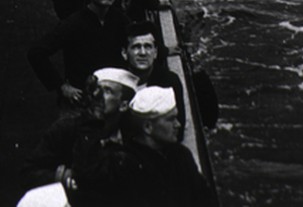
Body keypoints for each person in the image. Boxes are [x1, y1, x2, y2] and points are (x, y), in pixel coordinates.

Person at [73, 86, 215, 207]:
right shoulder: (123, 164)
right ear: (148, 127)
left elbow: (204, 198)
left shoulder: (181, 154)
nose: (178, 124)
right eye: (171, 119)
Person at [20, 65, 139, 191]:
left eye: (107, 91)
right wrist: (62, 177)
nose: (96, 95)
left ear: (123, 105)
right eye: (96, 89)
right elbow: (28, 174)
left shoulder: (131, 137)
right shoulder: (67, 128)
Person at [28, 0, 129, 108]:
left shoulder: (120, 19)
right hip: (83, 99)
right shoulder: (73, 23)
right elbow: (36, 52)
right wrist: (61, 86)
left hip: (113, 97)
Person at [121, 22, 185, 139]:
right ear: (124, 53)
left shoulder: (169, 82)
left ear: (155, 53)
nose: (143, 53)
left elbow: (177, 130)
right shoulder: (117, 84)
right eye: (136, 47)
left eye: (148, 47)